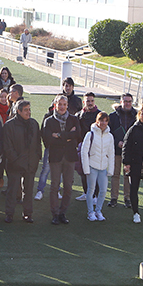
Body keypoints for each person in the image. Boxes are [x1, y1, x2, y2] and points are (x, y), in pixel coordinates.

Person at [42, 95, 81, 225]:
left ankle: (63, 212)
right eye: (60, 104)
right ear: (55, 105)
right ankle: (55, 213)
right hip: (55, 157)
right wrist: (68, 136)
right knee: (54, 186)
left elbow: (77, 135)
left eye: (64, 104)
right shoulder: (49, 121)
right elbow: (48, 140)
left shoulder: (74, 119)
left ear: (67, 105)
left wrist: (59, 135)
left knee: (68, 186)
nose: (62, 107)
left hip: (70, 157)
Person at [2, 100, 41, 223]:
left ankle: (28, 214)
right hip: (15, 164)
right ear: (18, 111)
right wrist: (16, 160)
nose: (28, 112)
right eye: (25, 110)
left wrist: (36, 158)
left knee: (28, 190)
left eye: (29, 109)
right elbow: (7, 147)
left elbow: (38, 144)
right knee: (13, 190)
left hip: (31, 164)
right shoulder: (9, 126)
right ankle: (9, 214)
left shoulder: (34, 124)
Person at [80, 112, 115, 221]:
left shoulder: (110, 136)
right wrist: (86, 169)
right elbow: (84, 152)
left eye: (105, 121)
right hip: (92, 166)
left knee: (103, 190)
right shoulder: (90, 134)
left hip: (103, 168)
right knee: (91, 190)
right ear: (97, 121)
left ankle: (98, 211)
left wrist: (111, 169)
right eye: (101, 120)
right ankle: (90, 212)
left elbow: (111, 153)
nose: (103, 123)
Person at [108, 93, 137, 208]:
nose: (127, 103)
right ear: (121, 102)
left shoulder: (136, 116)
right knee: (115, 175)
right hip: (116, 150)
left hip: (130, 151)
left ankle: (127, 198)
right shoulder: (113, 116)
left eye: (129, 101)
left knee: (127, 174)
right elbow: (109, 132)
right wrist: (117, 142)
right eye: (125, 101)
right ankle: (114, 197)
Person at [75, 92, 102, 201]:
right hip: (82, 147)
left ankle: (95, 195)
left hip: (95, 147)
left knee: (95, 171)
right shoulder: (78, 115)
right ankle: (86, 193)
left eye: (92, 101)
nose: (90, 103)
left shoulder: (99, 115)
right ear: (83, 102)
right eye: (88, 101)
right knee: (83, 171)